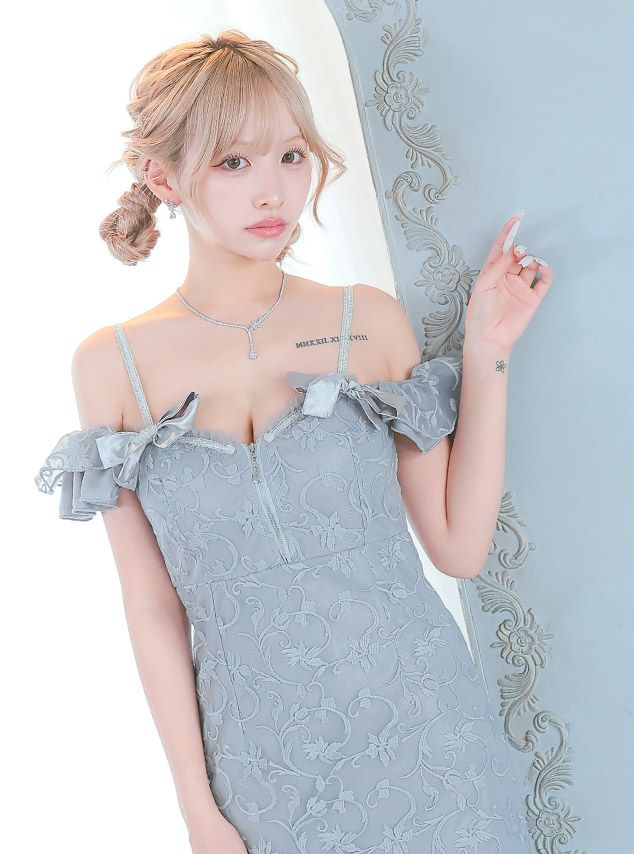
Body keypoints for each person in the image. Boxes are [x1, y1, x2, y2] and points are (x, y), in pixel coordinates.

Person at [34, 30, 552, 854]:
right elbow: (152, 606)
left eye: (292, 155)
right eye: (233, 162)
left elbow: (458, 547)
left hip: (433, 742)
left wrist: (488, 350)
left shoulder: (364, 321)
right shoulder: (112, 366)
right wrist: (197, 809)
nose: (272, 190)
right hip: (261, 774)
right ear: (163, 177)